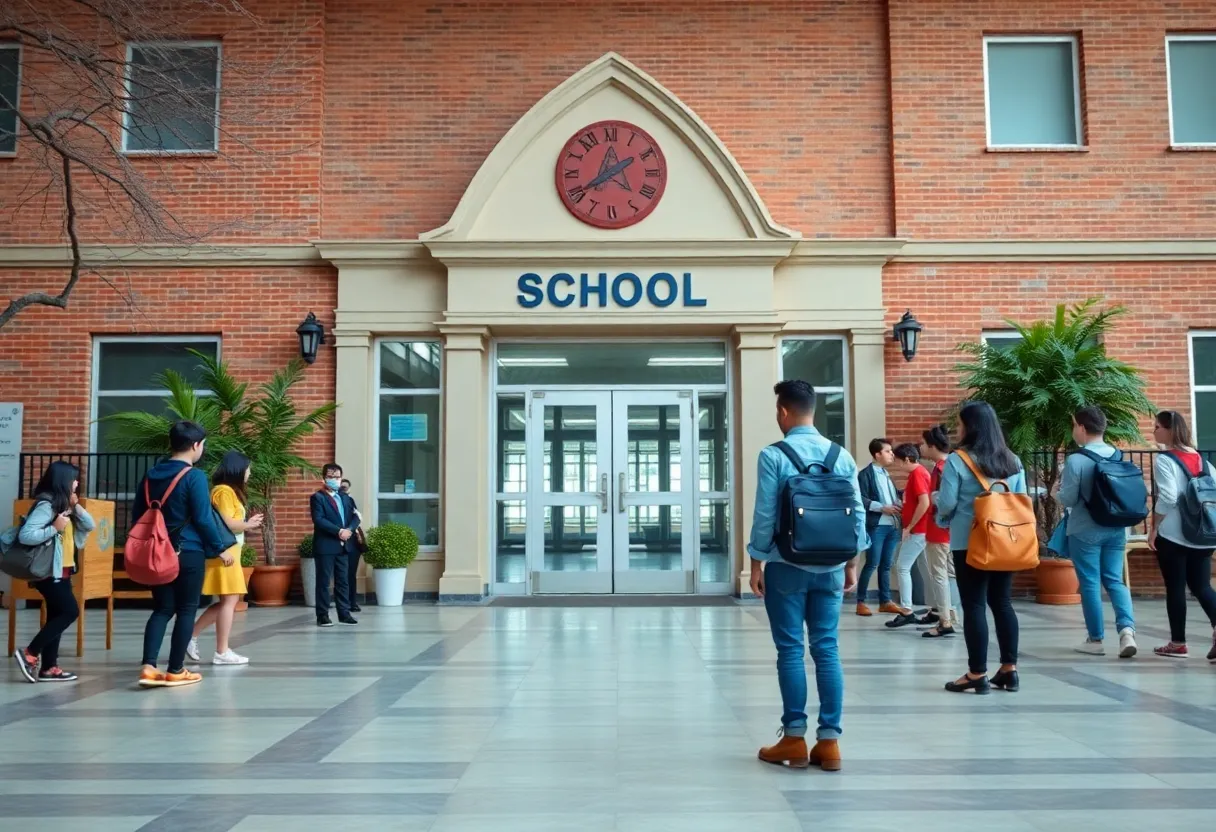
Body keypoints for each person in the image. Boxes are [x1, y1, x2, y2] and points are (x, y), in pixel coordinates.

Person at [749, 380, 864, 772]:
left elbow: (766, 513)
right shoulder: (841, 455)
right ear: (813, 410)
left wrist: (756, 561)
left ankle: (794, 738)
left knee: (790, 650)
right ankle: (829, 743)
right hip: (832, 566)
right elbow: (857, 512)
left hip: (786, 565)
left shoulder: (774, 455)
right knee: (826, 648)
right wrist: (851, 562)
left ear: (783, 411)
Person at [936, 401, 1027, 694]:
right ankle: (1009, 670)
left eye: (960, 423)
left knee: (974, 604)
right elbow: (1021, 498)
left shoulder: (958, 460)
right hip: (1006, 542)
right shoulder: (1013, 460)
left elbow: (947, 503)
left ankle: (977, 673)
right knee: (1002, 602)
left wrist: (942, 519)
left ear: (970, 427)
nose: (957, 428)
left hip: (969, 542)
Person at [135, 420, 230, 688]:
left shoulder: (150, 475)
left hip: (156, 552)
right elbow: (203, 518)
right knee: (187, 609)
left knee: (162, 608)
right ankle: (176, 669)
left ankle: (148, 667)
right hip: (188, 551)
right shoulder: (194, 476)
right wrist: (219, 548)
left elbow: (138, 515)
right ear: (195, 445)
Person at [1057, 406, 1137, 658]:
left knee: (1090, 582)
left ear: (1081, 427)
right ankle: (1127, 632)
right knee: (1114, 580)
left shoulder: (1076, 460)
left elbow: (1069, 498)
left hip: (1085, 529)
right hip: (1116, 527)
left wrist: (1056, 493)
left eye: (1073, 425)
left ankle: (1095, 639)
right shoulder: (1118, 455)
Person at [7, 461, 94, 683]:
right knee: (70, 611)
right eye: (74, 479)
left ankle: (49, 667)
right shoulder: (46, 505)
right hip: (47, 572)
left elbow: (90, 525)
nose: (77, 483)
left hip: (61, 571)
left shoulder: (63, 506)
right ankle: (30, 653)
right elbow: (27, 535)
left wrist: (75, 505)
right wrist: (54, 528)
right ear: (63, 480)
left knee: (57, 615)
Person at [1148, 410, 1216, 661]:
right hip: (1204, 534)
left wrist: (1155, 527)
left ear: (1169, 430)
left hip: (1174, 535)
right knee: (1202, 586)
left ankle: (1178, 643)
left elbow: (1168, 496)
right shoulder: (1203, 461)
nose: (1154, 431)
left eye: (1157, 427)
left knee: (1175, 587)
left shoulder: (1165, 460)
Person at [187, 451, 263, 666]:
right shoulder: (224, 491)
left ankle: (191, 636)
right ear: (237, 469)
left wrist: (247, 523)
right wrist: (248, 524)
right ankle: (221, 651)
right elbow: (228, 523)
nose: (249, 473)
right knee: (229, 601)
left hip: (230, 553)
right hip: (224, 554)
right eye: (247, 469)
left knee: (228, 602)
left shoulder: (227, 492)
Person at [885, 444, 930, 628]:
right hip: (920, 529)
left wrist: (910, 526)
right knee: (926, 569)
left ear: (906, 459)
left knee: (902, 567)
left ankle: (906, 610)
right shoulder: (917, 473)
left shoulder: (918, 474)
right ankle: (938, 609)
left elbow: (924, 502)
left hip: (918, 530)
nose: (896, 463)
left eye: (897, 460)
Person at [855, 438, 902, 616]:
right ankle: (861, 602)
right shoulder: (865, 475)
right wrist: (882, 507)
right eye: (888, 451)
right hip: (877, 526)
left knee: (886, 565)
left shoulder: (886, 474)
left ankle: (885, 601)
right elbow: (860, 498)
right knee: (872, 563)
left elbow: (892, 496)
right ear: (877, 454)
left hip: (893, 525)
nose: (892, 454)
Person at [310, 463, 360, 628]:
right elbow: (319, 520)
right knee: (324, 582)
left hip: (344, 546)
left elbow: (356, 516)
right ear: (323, 478)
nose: (334, 480)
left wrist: (349, 530)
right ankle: (323, 616)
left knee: (343, 581)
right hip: (326, 546)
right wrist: (339, 531)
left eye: (337, 477)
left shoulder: (346, 498)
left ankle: (344, 614)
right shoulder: (318, 498)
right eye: (330, 477)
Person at [920, 424, 958, 638]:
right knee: (950, 574)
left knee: (939, 575)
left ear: (932, 446)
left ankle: (945, 620)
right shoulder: (949, 465)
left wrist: (934, 498)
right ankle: (951, 614)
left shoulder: (943, 469)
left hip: (939, 530)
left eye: (924, 444)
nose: (921, 447)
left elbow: (945, 502)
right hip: (950, 531)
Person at [339, 478, 363, 613]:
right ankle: (343, 602)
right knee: (340, 574)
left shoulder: (350, 501)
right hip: (337, 541)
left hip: (352, 543)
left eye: (345, 487)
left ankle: (352, 602)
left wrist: (349, 530)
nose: (343, 489)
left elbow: (357, 518)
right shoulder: (332, 500)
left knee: (351, 574)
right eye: (341, 487)